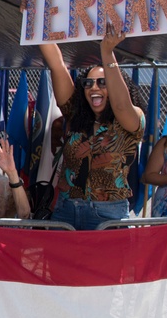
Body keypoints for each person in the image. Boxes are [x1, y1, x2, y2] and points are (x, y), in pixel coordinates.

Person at [39, 22, 146, 230]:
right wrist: (35, 19)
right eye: (88, 83)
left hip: (108, 214)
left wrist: (107, 53)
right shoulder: (76, 117)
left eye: (102, 82)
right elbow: (57, 65)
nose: (93, 88)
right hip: (66, 210)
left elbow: (121, 105)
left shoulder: (131, 120)